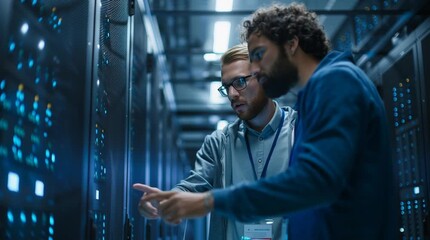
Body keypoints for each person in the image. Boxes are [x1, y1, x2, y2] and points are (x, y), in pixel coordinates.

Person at [142, 3, 397, 240]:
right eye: (227, 87)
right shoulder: (322, 90)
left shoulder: (335, 82)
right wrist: (170, 200)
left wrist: (210, 202)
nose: (255, 69)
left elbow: (315, 182)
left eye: (259, 55)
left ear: (291, 44)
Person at [133, 44, 296, 240]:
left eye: (240, 82)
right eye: (226, 86)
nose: (232, 94)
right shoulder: (219, 143)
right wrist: (164, 201)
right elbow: (193, 186)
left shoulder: (301, 130)